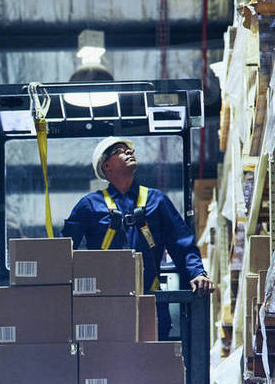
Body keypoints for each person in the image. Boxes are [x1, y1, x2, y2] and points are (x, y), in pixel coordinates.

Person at [64, 137, 215, 339]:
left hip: (151, 302)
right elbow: (64, 250)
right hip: (105, 304)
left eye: (130, 149)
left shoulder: (156, 201)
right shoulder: (90, 206)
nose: (129, 152)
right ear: (106, 165)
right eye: (120, 150)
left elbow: (182, 245)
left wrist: (197, 273)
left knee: (151, 363)